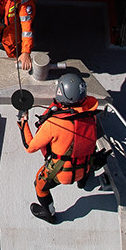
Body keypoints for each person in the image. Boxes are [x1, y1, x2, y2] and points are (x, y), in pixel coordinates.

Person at [19, 71, 99, 224]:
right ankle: (82, 183)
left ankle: (49, 214)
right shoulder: (91, 115)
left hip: (63, 174)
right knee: (83, 156)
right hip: (85, 168)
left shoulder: (54, 124)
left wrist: (23, 123)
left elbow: (30, 147)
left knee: (40, 186)